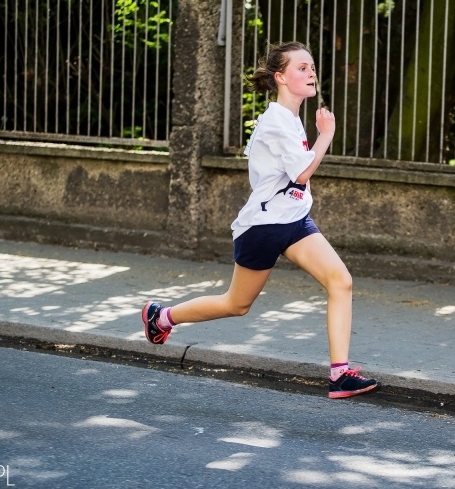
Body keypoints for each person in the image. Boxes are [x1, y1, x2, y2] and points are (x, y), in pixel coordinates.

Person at [142, 41, 379, 399]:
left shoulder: (290, 118)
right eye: (302, 68)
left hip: (294, 221)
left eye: (312, 67)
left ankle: (340, 375)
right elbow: (301, 173)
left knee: (341, 281)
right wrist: (326, 136)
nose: (311, 73)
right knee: (236, 304)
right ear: (280, 77)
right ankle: (161, 317)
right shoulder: (276, 121)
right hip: (264, 227)